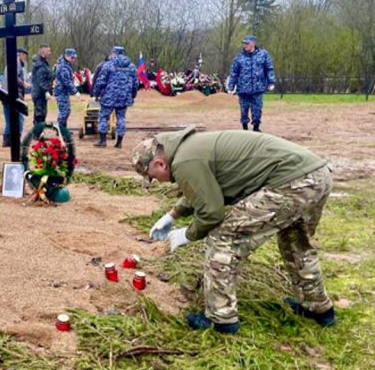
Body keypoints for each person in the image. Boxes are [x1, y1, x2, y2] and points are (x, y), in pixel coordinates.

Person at [131, 128, 334, 334]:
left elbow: (211, 212)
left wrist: (188, 234)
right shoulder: (188, 149)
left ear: (160, 164)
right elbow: (202, 189)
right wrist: (173, 215)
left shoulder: (183, 162)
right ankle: (318, 307)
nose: (157, 181)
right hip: (315, 175)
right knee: (294, 241)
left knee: (223, 239)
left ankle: (222, 319)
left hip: (291, 183)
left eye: (153, 177)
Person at [91, 46, 139, 148]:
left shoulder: (108, 65)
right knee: (121, 118)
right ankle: (119, 142)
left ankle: (103, 140)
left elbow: (101, 81)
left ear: (114, 53)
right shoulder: (131, 67)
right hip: (124, 97)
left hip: (109, 96)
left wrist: (96, 93)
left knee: (103, 117)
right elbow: (136, 83)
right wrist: (133, 95)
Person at [227, 35, 275, 132]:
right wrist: (231, 86)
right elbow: (234, 72)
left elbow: (269, 68)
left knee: (257, 109)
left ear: (253, 43)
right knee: (244, 110)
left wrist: (271, 82)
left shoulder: (263, 54)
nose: (245, 45)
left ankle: (256, 128)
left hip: (258, 88)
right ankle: (245, 127)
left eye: (247, 43)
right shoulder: (239, 57)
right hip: (243, 89)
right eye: (244, 43)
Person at [0, 47, 29, 147]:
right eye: (24, 55)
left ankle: (7, 140)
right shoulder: (16, 63)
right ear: (19, 55)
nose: (25, 58)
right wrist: (23, 84)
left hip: (5, 94)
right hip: (14, 95)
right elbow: (13, 77)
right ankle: (16, 139)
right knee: (19, 119)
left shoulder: (10, 63)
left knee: (8, 119)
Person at [54, 48, 78, 128]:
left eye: (74, 57)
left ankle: (63, 129)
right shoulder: (63, 66)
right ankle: (60, 130)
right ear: (67, 56)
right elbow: (66, 81)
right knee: (64, 112)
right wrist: (75, 91)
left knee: (67, 111)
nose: (73, 59)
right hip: (61, 92)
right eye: (72, 57)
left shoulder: (66, 65)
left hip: (64, 92)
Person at [30, 44, 54, 125]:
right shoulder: (39, 64)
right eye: (48, 51)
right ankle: (38, 133)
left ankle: (39, 132)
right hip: (39, 93)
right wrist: (46, 91)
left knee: (42, 113)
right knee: (40, 114)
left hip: (41, 93)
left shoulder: (43, 62)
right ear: (43, 52)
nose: (50, 53)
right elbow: (41, 80)